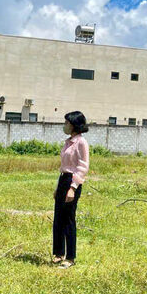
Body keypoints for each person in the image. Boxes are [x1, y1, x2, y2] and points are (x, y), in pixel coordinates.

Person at [53, 111, 89, 268]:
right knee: (58, 218)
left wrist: (72, 188)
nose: (65, 126)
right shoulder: (68, 142)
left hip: (73, 181)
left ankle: (70, 256)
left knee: (68, 219)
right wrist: (58, 187)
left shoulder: (81, 142)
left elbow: (82, 166)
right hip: (63, 179)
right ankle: (58, 252)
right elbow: (64, 167)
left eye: (67, 123)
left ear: (74, 125)